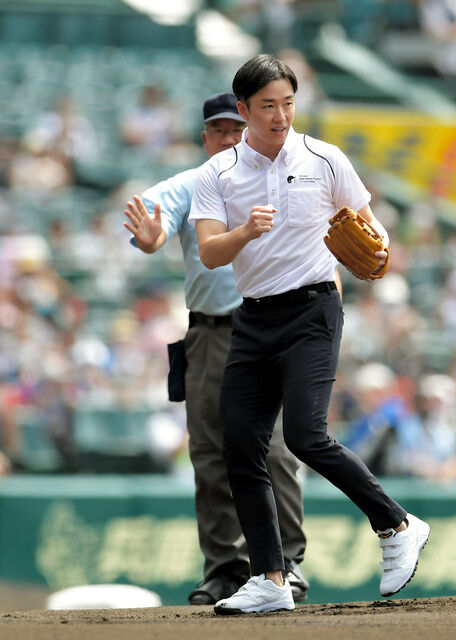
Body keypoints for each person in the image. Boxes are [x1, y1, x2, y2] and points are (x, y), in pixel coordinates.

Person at [188, 54, 431, 615]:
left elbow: (370, 225)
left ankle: (396, 524)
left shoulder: (325, 158)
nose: (280, 115)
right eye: (267, 105)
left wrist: (379, 245)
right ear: (243, 109)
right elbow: (208, 251)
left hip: (313, 312)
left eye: (288, 103)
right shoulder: (218, 173)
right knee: (240, 443)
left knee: (303, 434)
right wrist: (246, 229)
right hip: (251, 318)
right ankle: (270, 578)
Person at [123, 92, 309, 605]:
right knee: (208, 450)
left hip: (266, 325)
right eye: (218, 131)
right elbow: (152, 226)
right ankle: (225, 568)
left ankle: (285, 564)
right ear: (205, 138)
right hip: (207, 332)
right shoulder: (193, 183)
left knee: (271, 450)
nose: (228, 138)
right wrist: (151, 238)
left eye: (236, 128)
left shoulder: (280, 175)